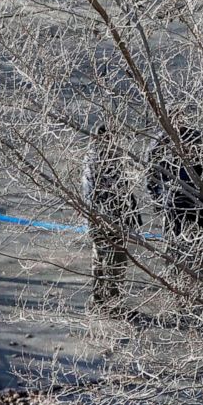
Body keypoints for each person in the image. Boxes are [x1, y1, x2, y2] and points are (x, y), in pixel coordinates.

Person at [146, 126, 203, 276]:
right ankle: (178, 280)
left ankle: (198, 281)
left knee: (197, 246)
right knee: (177, 245)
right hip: (175, 203)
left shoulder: (196, 139)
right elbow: (151, 174)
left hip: (195, 204)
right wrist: (156, 198)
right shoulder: (161, 141)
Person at [81, 125, 141, 300]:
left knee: (100, 256)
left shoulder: (94, 158)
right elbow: (115, 191)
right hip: (108, 217)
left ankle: (100, 298)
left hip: (100, 217)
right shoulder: (102, 160)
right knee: (116, 259)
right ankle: (112, 301)